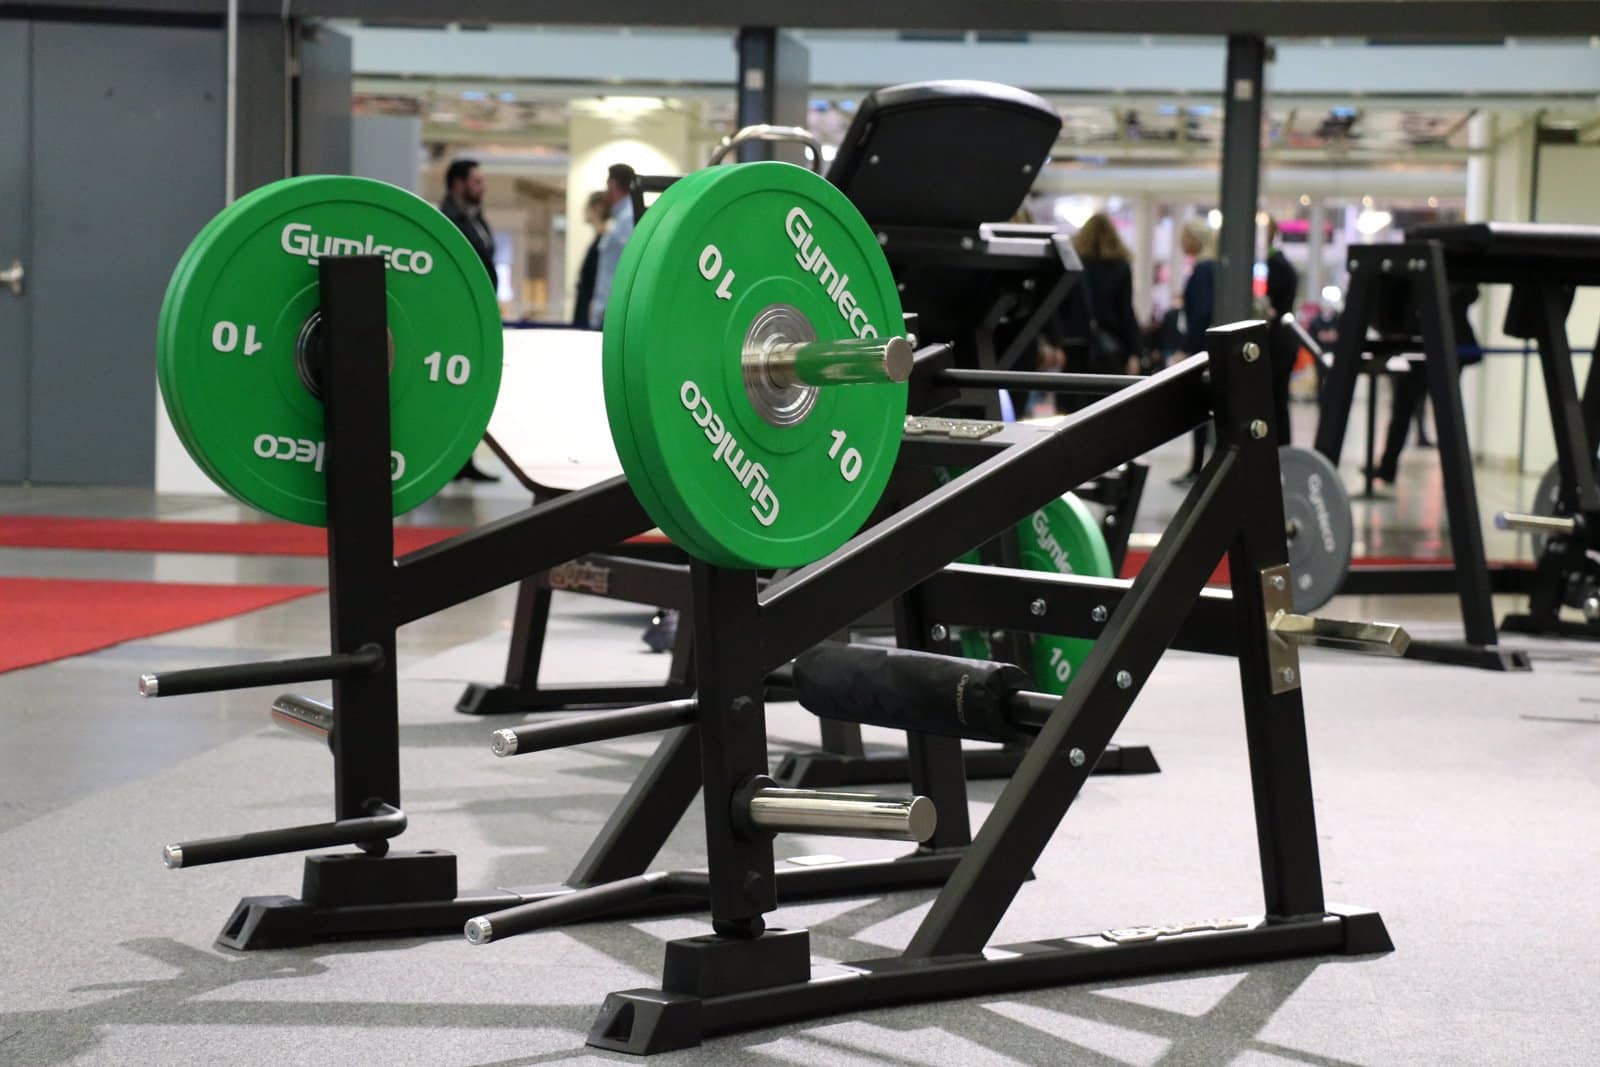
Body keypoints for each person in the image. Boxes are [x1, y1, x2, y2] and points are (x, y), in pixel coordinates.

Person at [1368, 283, 1482, 486]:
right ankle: (1388, 467)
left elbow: (1470, 293)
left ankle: (1454, 476)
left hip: (1442, 344)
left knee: (1444, 415)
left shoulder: (1453, 285)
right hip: (1420, 344)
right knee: (1404, 411)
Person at [439, 158, 500, 483]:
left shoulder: (477, 219)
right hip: (457, 319)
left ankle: (466, 461)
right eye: (476, 181)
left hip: (479, 317)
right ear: (457, 184)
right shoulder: (448, 221)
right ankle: (452, 462)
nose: (482, 187)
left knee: (473, 389)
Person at [1056, 213, 1142, 378]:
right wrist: (1135, 351)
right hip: (1110, 345)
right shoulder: (1120, 267)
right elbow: (1126, 312)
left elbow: (1061, 307)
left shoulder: (1072, 264)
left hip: (1074, 344)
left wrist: (1055, 341)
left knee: (1073, 390)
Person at [1172, 217, 1217, 484]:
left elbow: (1200, 314)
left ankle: (1198, 467)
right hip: (1207, 347)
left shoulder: (1202, 270)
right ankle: (1199, 466)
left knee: (1200, 408)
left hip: (1201, 350)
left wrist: (1187, 349)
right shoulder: (1211, 268)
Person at [1264, 217, 1301, 445]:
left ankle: (1280, 451)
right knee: (1278, 402)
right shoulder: (1278, 263)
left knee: (1275, 403)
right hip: (1282, 342)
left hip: (1276, 344)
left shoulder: (1274, 265)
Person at [589, 162, 637, 331]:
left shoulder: (627, 218)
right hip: (608, 311)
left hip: (613, 313)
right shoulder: (619, 218)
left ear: (612, 184)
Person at [572, 191, 609, 330]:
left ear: (598, 207)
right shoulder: (599, 240)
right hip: (586, 305)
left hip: (591, 308)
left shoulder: (604, 241)